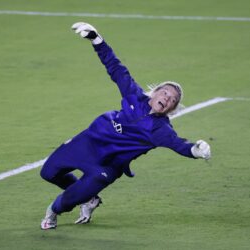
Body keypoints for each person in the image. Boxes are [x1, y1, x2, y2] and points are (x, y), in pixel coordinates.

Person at [40, 22, 211, 230]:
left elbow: (180, 145)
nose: (167, 98)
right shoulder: (133, 94)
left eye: (172, 100)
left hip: (106, 166)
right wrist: (97, 39)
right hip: (88, 143)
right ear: (155, 92)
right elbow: (115, 67)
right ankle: (89, 198)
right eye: (165, 93)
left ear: (171, 109)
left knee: (67, 201)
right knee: (48, 172)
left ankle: (53, 211)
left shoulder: (160, 130)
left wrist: (196, 150)